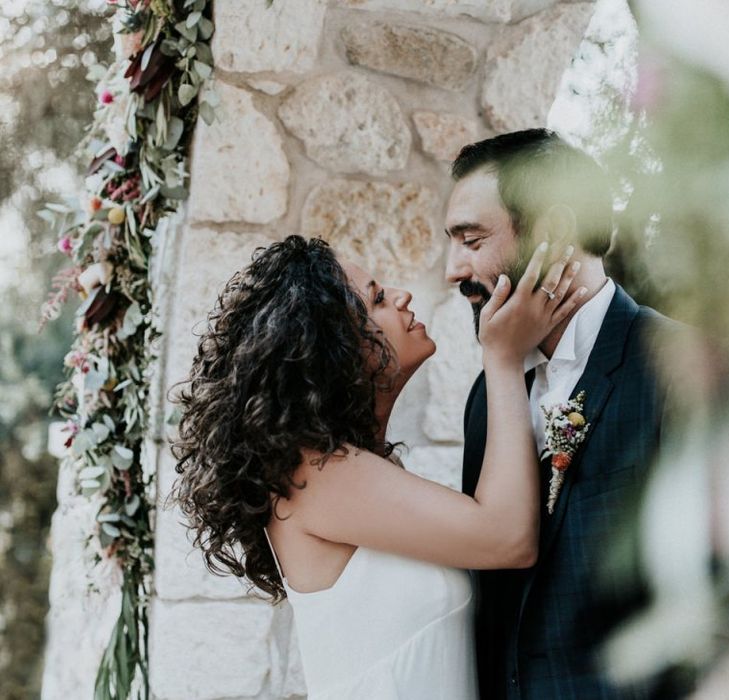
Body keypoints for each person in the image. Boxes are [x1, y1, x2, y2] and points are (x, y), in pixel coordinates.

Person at [166, 233, 585, 700]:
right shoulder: (313, 476)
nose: (402, 297)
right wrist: (503, 356)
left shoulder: (356, 470)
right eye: (378, 298)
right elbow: (507, 537)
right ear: (334, 347)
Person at [445, 128, 688, 699]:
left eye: (472, 240)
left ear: (552, 230)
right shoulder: (487, 394)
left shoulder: (680, 371)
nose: (453, 271)